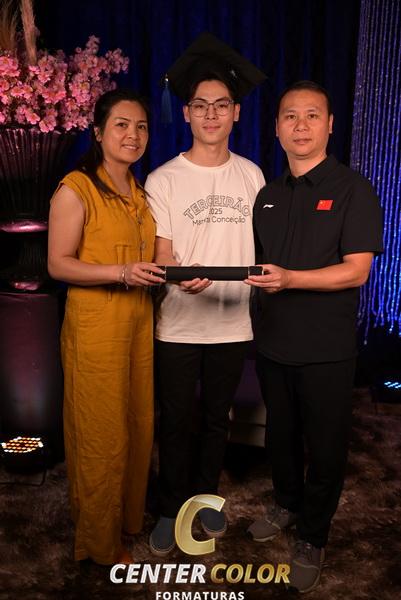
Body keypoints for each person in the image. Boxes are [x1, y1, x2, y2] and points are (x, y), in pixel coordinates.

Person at [245, 80, 383, 593]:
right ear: (277, 127)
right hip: (273, 342)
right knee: (280, 436)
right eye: (290, 116)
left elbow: (357, 271)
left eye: (311, 115)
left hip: (327, 348)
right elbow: (258, 265)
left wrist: (292, 279)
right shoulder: (268, 195)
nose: (300, 125)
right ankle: (286, 504)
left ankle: (312, 535)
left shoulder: (353, 188)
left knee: (324, 448)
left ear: (329, 125)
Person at [145, 33, 266, 555]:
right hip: (178, 321)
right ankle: (169, 508)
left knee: (219, 419)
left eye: (221, 105)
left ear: (236, 113)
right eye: (200, 105)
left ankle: (206, 500)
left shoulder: (253, 176)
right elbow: (162, 252)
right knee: (175, 421)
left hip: (232, 322)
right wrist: (178, 275)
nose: (211, 115)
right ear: (186, 113)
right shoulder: (164, 179)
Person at [47, 89, 165, 565]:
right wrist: (121, 272)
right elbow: (58, 264)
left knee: (137, 425)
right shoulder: (77, 188)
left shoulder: (140, 192)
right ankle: (99, 544)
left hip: (138, 323)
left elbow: (152, 257)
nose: (132, 134)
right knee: (101, 434)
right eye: (121, 124)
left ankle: (126, 521)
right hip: (96, 329)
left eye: (141, 126)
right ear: (98, 132)